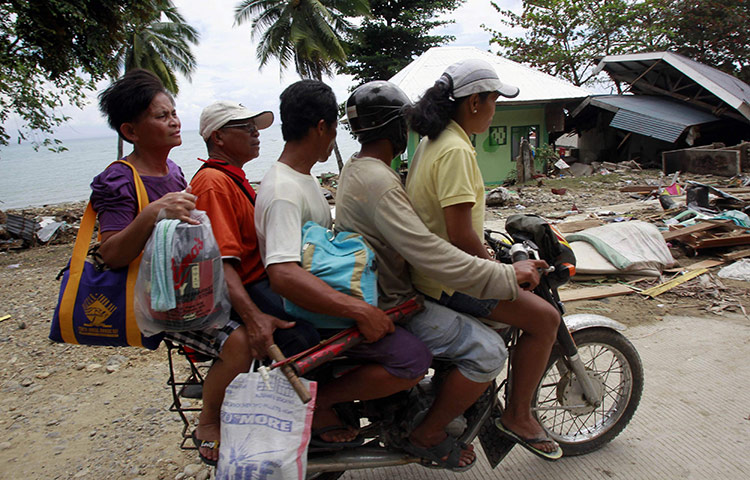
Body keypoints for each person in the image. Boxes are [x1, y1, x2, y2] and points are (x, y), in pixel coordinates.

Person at [336, 81, 552, 469]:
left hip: (389, 289)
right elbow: (432, 250)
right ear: (395, 127)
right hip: (395, 302)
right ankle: (428, 433)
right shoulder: (384, 179)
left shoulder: (360, 168)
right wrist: (504, 274)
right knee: (489, 353)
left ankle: (440, 401)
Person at [254, 80, 432, 445]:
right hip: (315, 315)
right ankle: (320, 402)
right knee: (413, 360)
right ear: (322, 127)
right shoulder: (284, 193)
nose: (336, 138)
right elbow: (284, 275)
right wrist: (360, 312)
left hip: (326, 302)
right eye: (334, 129)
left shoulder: (301, 178)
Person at [405, 59, 562, 459]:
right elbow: (459, 235)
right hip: (450, 280)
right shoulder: (456, 150)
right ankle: (518, 416)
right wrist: (500, 271)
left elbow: (452, 225)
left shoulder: (433, 141)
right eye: (494, 102)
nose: (496, 110)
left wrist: (491, 254)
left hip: (429, 272)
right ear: (474, 102)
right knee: (545, 320)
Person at [173, 101, 320, 465]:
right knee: (308, 339)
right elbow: (223, 262)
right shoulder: (213, 183)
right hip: (248, 285)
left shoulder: (232, 176)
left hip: (261, 278)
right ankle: (210, 420)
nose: (256, 134)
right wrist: (254, 319)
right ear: (218, 137)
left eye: (256, 127)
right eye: (245, 127)